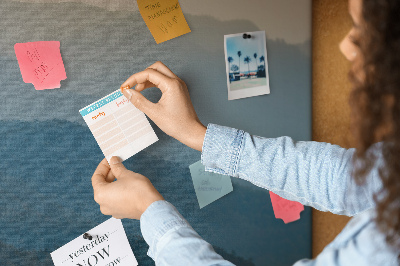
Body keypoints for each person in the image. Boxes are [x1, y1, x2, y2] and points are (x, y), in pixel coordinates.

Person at [90, 0, 400, 264]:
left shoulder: (384, 248)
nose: (346, 46)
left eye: (365, 30)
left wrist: (150, 213)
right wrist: (196, 134)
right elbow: (344, 178)